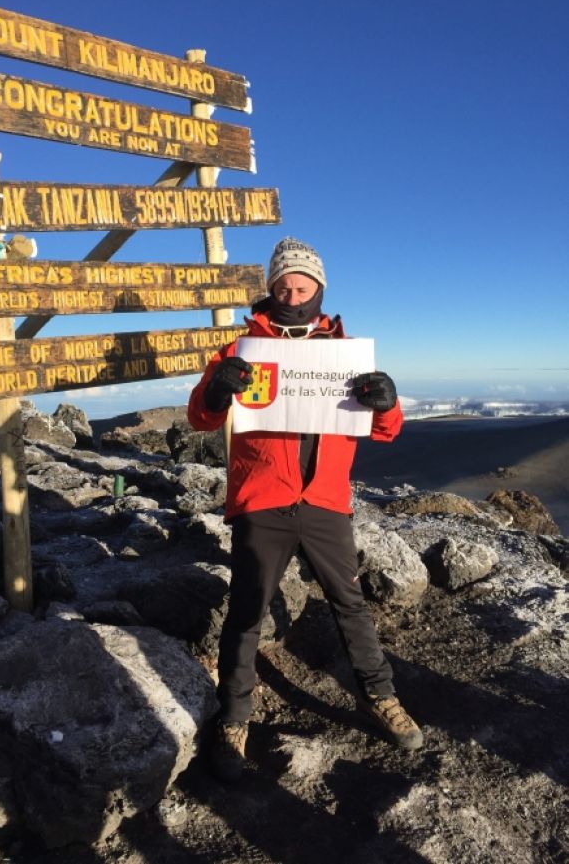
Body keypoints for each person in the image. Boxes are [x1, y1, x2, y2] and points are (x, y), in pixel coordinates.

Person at [187, 237, 423, 783]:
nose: (293, 294)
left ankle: (378, 696)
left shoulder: (344, 352)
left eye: (303, 285)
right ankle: (235, 718)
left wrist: (386, 402)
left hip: (324, 502)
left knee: (350, 604)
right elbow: (200, 417)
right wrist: (219, 391)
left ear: (319, 289)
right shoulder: (241, 348)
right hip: (262, 501)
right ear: (269, 289)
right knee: (247, 612)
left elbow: (386, 430)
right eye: (283, 286)